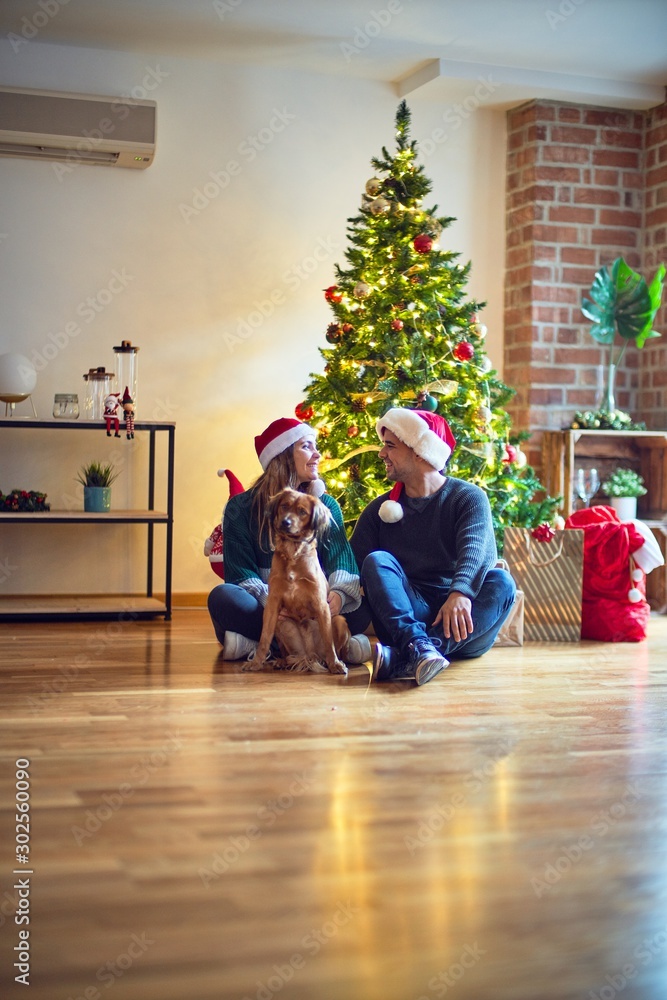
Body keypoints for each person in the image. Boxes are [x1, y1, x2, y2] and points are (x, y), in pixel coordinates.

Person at [350, 408, 516, 686]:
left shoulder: (468, 497)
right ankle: (417, 647)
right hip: (407, 619)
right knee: (377, 560)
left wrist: (460, 592)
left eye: (390, 445)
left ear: (420, 451)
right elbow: (350, 566)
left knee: (502, 582)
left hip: (464, 624)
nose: (381, 453)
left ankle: (413, 655)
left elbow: (476, 551)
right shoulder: (380, 510)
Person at [207, 416, 371, 665]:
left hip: (317, 610)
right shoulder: (240, 507)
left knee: (363, 604)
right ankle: (325, 647)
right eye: (307, 447)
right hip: (270, 608)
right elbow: (239, 573)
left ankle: (256, 645)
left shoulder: (324, 506)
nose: (317, 455)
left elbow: (341, 561)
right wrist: (274, 601)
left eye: (315, 447)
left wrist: (337, 597)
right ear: (281, 456)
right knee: (223, 597)